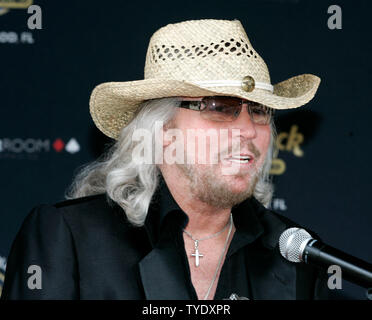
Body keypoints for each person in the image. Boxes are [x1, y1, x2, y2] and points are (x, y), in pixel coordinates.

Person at [1, 19, 329, 300]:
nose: (247, 128)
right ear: (162, 130)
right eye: (219, 107)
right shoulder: (71, 238)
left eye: (259, 110)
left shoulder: (296, 255)